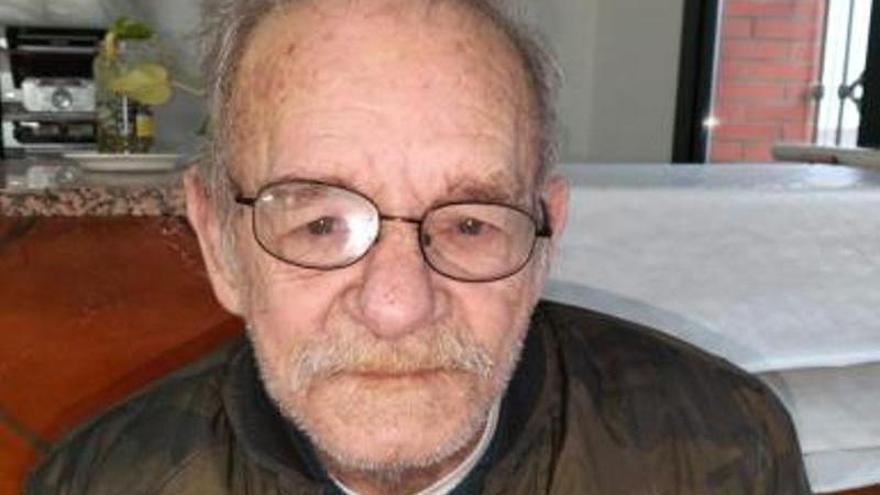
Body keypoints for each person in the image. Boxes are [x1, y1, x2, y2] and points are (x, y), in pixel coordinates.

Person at [27, 0, 812, 493]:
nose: (397, 306)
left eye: (469, 224)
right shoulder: (97, 483)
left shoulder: (725, 453)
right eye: (320, 223)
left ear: (543, 244)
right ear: (222, 246)